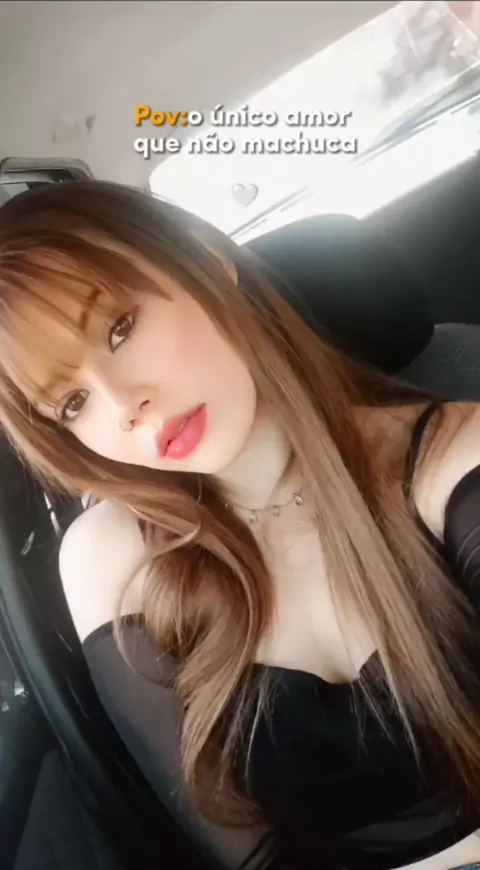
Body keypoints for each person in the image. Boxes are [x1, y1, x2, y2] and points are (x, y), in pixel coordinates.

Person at [1, 181, 480, 870]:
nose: (124, 404)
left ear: (205, 259)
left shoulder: (452, 461)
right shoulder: (113, 559)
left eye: (119, 328)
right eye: (72, 402)